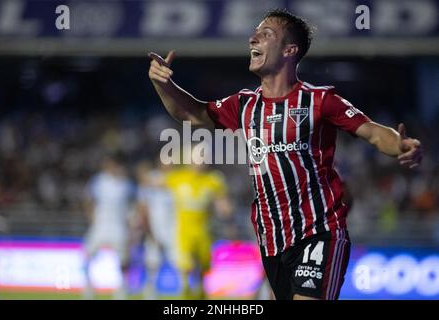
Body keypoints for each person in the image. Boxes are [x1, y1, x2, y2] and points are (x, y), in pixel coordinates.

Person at [147, 9, 423, 300]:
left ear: (290, 50)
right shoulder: (243, 105)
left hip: (320, 231)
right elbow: (193, 114)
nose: (253, 37)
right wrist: (163, 85)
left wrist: (400, 145)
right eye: (255, 33)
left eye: (266, 34)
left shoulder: (321, 101)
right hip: (272, 242)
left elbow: (372, 131)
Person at [165, 148, 232, 299]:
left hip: (204, 229)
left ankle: (201, 290)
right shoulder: (177, 177)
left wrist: (225, 210)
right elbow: (155, 184)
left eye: (204, 158)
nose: (201, 162)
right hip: (183, 230)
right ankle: (185, 289)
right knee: (185, 265)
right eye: (198, 158)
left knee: (204, 265)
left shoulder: (213, 179)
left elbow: (223, 203)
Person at [82, 155, 136, 300]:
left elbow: (134, 203)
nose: (111, 168)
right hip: (100, 225)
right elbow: (88, 199)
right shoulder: (98, 181)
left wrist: (131, 222)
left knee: (123, 259)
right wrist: (91, 217)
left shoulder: (126, 184)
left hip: (119, 226)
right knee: (87, 254)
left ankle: (122, 288)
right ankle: (89, 286)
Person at [134, 160, 177, 299]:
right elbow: (143, 204)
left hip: (173, 228)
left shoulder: (177, 179)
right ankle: (149, 291)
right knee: (153, 262)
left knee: (179, 262)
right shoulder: (151, 178)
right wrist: (148, 228)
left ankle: (183, 291)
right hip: (155, 227)